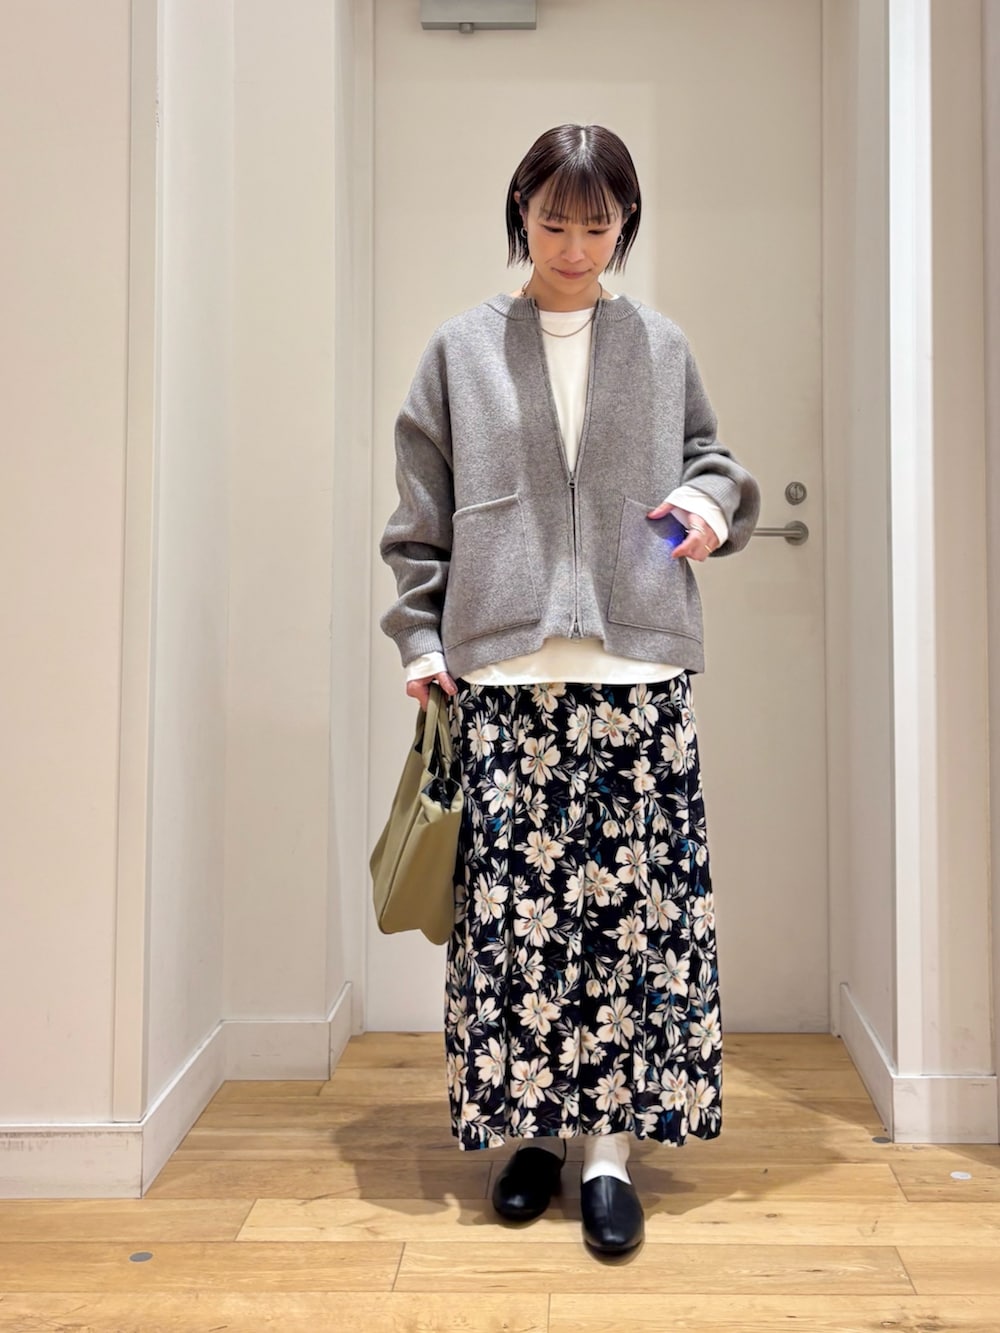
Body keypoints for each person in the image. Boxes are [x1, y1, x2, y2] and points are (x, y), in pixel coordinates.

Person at [378, 123, 760, 1255]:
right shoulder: (459, 352)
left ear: (624, 224)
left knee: (630, 927)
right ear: (521, 214)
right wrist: (418, 639)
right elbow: (418, 518)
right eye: (555, 221)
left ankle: (606, 1152)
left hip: (638, 674)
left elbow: (714, 461)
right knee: (516, 933)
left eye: (599, 224)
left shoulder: (658, 345)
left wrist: (707, 505)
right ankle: (530, 1141)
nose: (576, 245)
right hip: (503, 679)